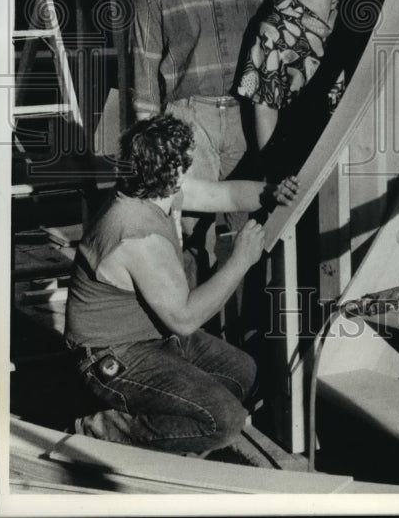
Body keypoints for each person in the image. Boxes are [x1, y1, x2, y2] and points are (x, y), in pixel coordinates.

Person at [64, 114, 298, 455]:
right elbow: (185, 318)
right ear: (174, 172)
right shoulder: (135, 234)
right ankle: (96, 432)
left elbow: (226, 196)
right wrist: (240, 260)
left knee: (243, 373)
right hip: (111, 356)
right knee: (224, 421)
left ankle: (166, 417)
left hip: (152, 338)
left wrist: (271, 193)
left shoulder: (150, 190)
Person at [132, 0, 261, 280]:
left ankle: (250, 332)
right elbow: (145, 71)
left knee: (254, 227)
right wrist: (151, 143)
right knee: (190, 232)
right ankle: (199, 332)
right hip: (187, 123)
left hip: (245, 119)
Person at [236, 0, 346, 177]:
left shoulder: (352, 10)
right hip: (307, 163)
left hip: (362, 149)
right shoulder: (273, 29)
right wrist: (277, 179)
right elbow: (265, 111)